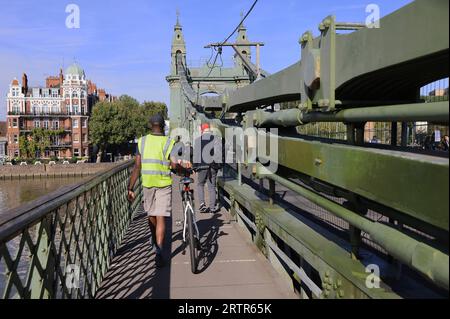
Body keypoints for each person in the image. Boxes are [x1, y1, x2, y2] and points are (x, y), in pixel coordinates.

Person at [127, 114, 187, 268]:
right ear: (164, 126)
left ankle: (154, 240)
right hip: (164, 183)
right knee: (161, 217)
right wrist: (183, 170)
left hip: (147, 184)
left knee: (151, 214)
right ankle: (159, 250)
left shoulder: (142, 141)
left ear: (150, 125)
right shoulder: (169, 142)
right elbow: (173, 165)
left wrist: (130, 187)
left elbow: (137, 167)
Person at [193, 123, 222, 214]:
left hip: (201, 166)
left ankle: (202, 204)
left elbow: (196, 155)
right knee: (212, 187)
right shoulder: (216, 139)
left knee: (200, 184)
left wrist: (195, 167)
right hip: (212, 166)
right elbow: (218, 154)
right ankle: (212, 207)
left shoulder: (198, 140)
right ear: (210, 130)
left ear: (202, 130)